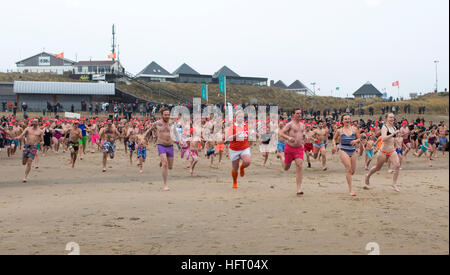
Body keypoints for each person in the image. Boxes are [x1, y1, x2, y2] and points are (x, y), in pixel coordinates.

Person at [365, 113, 401, 192]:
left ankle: (394, 184)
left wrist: (397, 144)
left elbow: (393, 139)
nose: (392, 119)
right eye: (390, 117)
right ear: (386, 118)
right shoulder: (384, 127)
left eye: (393, 117)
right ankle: (368, 176)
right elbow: (384, 138)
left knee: (397, 165)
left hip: (392, 150)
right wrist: (393, 134)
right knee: (378, 168)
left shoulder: (394, 127)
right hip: (383, 151)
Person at [332, 114, 361, 196]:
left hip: (352, 150)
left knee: (352, 171)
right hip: (343, 149)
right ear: (342, 121)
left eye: (348, 119)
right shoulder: (339, 130)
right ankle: (351, 190)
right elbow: (334, 139)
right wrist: (334, 145)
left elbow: (359, 138)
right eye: (345, 119)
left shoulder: (354, 129)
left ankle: (349, 177)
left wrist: (355, 141)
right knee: (348, 168)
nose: (347, 120)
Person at [278, 108, 305, 196]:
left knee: (299, 165)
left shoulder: (302, 125)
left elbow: (302, 134)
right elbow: (282, 133)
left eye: (300, 113)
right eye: (297, 113)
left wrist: (305, 137)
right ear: (293, 115)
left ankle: (298, 188)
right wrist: (288, 138)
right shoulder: (290, 124)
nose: (299, 115)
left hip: (299, 148)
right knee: (286, 168)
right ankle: (282, 156)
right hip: (289, 148)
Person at [150, 107, 175, 191]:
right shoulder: (157, 123)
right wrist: (144, 137)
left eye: (168, 114)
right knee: (165, 164)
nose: (167, 116)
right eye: (165, 115)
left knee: (170, 167)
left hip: (170, 145)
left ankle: (162, 159)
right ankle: (165, 185)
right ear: (161, 115)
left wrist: (181, 141)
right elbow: (149, 130)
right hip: (161, 145)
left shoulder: (172, 123)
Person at [226, 110, 251, 189]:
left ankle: (242, 167)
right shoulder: (232, 127)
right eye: (239, 117)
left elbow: (249, 135)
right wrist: (235, 135)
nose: (240, 118)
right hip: (234, 149)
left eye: (242, 117)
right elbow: (228, 138)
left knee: (247, 162)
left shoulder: (246, 126)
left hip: (244, 147)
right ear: (235, 118)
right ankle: (235, 182)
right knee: (235, 168)